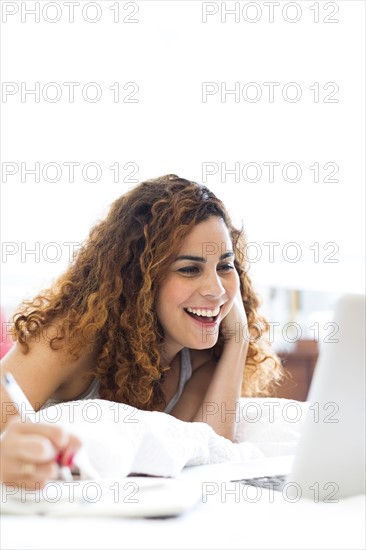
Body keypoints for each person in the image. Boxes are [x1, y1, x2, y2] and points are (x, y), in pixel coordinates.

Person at [0, 174, 283, 488]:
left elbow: (208, 453)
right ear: (139, 280)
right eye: (190, 269)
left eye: (225, 266)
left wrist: (238, 339)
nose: (216, 290)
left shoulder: (201, 360)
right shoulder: (70, 337)